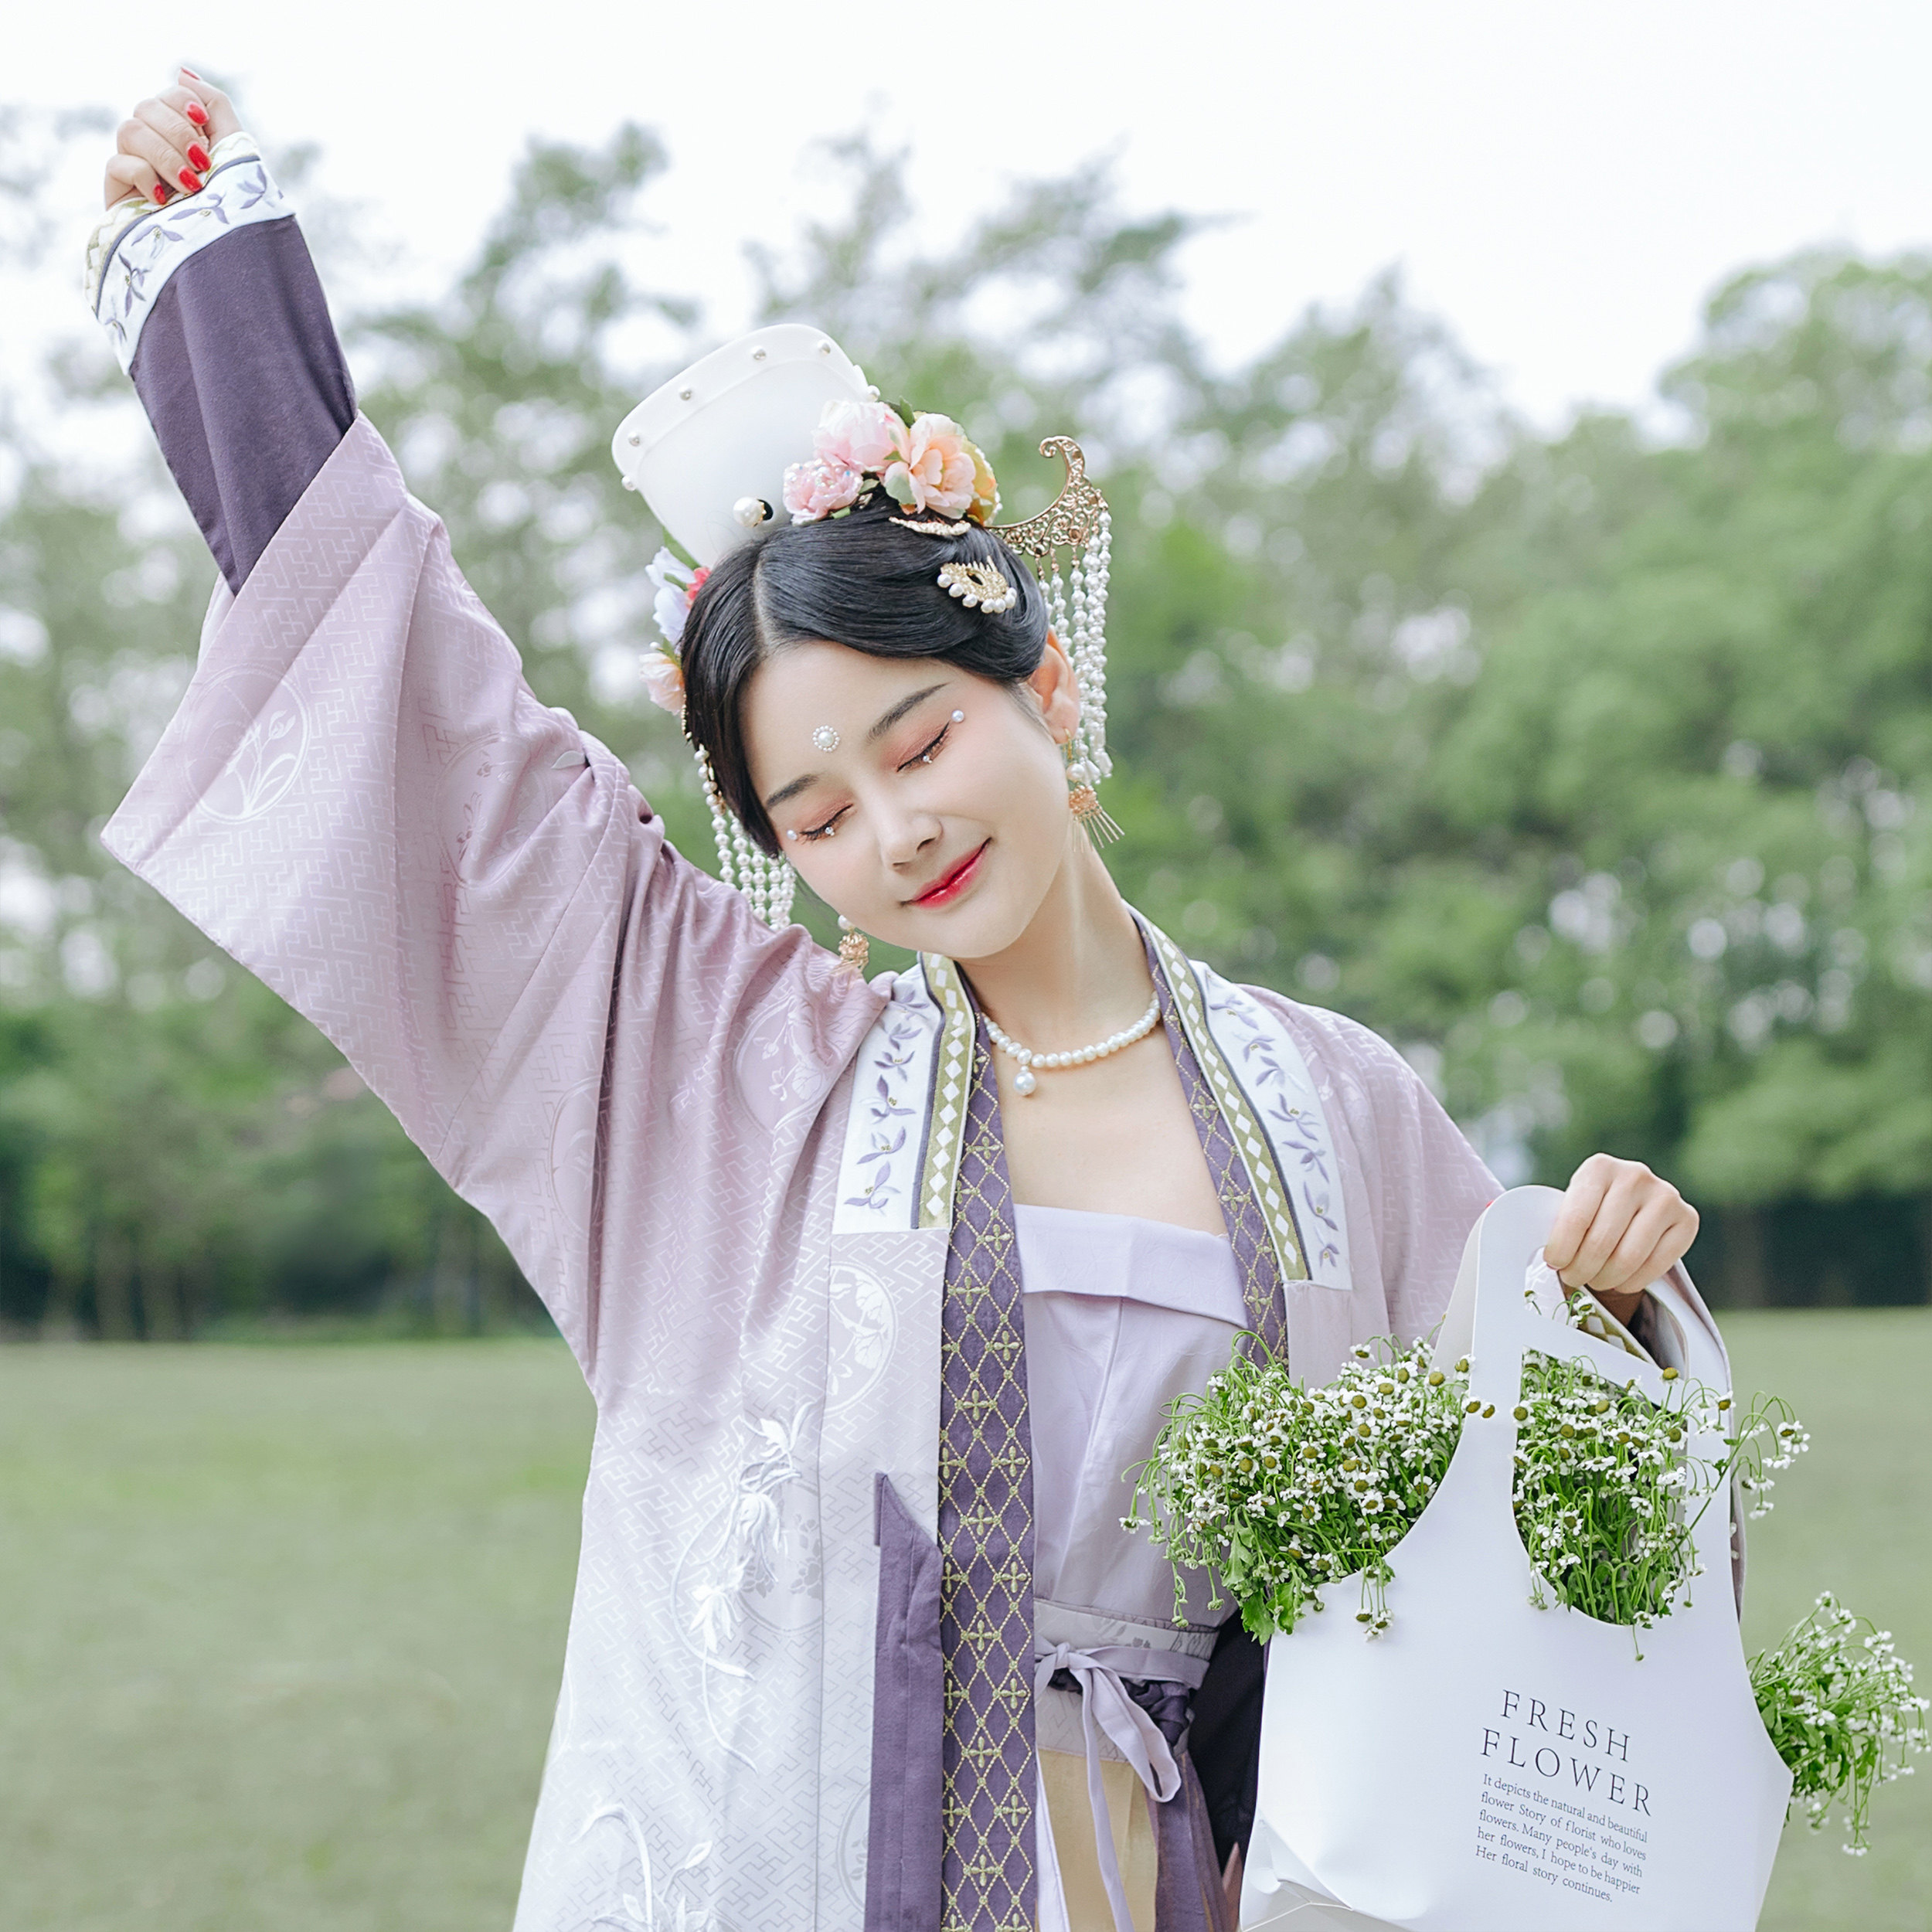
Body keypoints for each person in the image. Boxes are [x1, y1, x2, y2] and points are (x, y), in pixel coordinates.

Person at [88, 70, 1714, 1932]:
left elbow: (1528, 1550)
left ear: (1040, 678)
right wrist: (223, 284)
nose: (896, 827)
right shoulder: (721, 1068)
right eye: (815, 810)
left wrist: (1600, 1302)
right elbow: (448, 758)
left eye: (921, 733)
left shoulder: (1328, 1106)